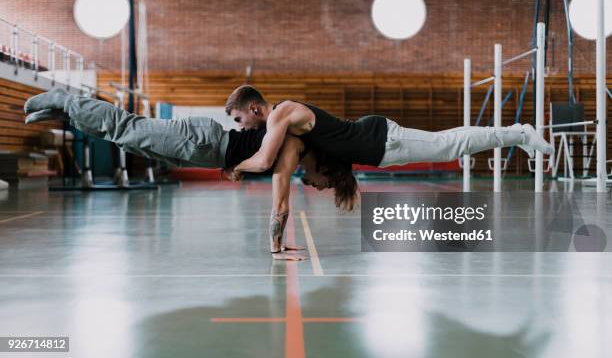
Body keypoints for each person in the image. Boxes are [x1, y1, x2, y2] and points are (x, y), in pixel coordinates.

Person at [24, 88, 357, 260]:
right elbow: (279, 202)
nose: (314, 185)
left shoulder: (297, 148)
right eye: (323, 183)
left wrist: (277, 245)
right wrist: (275, 248)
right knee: (129, 126)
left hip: (202, 152)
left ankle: (66, 114)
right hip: (203, 141)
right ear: (325, 167)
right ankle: (65, 99)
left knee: (125, 140)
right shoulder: (293, 145)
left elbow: (280, 199)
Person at [224, 84, 554, 181]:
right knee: (449, 145)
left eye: (239, 119)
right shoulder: (281, 116)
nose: (241, 127)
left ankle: (519, 133)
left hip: (381, 140)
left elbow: (265, 159)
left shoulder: (280, 114)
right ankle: (516, 135)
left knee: (449, 146)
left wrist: (236, 167)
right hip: (379, 146)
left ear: (254, 109)